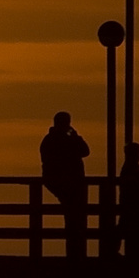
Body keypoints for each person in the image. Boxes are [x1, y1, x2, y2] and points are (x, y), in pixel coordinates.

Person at [39, 111, 90, 259]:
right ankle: (76, 254)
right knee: (75, 219)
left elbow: (85, 152)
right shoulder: (57, 140)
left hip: (65, 183)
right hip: (67, 184)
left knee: (74, 218)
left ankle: (75, 252)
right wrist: (75, 137)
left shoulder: (50, 139)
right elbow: (85, 151)